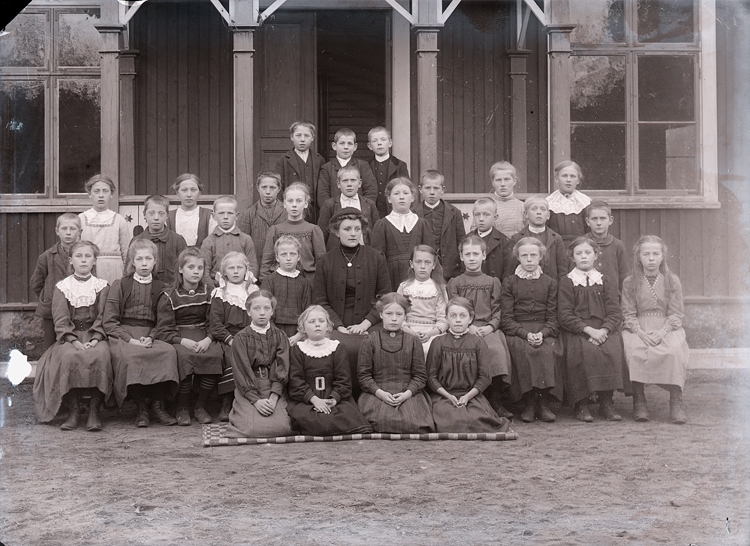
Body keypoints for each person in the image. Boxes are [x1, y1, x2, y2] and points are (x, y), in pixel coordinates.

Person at [33, 241, 112, 431]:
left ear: (94, 261)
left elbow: (104, 316)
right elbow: (60, 319)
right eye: (79, 256)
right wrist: (74, 341)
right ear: (71, 260)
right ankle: (73, 410)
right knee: (69, 356)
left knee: (101, 355)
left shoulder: (102, 286)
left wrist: (95, 339)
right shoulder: (62, 287)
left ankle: (94, 411)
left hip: (96, 335)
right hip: (70, 336)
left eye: (88, 256)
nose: (83, 260)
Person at [313, 208, 392, 397]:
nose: (353, 233)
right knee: (338, 346)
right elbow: (321, 301)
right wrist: (339, 326)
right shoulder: (325, 261)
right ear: (336, 231)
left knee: (371, 345)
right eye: (347, 229)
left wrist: (365, 324)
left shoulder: (376, 257)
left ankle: (370, 396)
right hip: (336, 325)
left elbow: (385, 297)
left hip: (370, 323)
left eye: (357, 229)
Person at [103, 239, 179, 427]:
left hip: (153, 334)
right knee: (132, 356)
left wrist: (152, 337)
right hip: (124, 334)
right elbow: (110, 321)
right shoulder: (120, 285)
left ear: (155, 261)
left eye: (148, 258)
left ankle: (158, 405)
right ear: (132, 262)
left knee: (168, 352)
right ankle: (141, 408)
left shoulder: (162, 287)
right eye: (139, 259)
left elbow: (164, 321)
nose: (144, 263)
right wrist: (131, 340)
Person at [622, 236, 690, 424]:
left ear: (662, 256)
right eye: (646, 254)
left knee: (674, 351)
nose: (651, 258)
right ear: (638, 257)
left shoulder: (672, 280)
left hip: (667, 327)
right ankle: (639, 400)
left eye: (655, 254)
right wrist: (640, 333)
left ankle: (676, 401)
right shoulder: (630, 282)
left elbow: (676, 314)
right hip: (639, 328)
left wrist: (662, 332)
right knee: (635, 350)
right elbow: (628, 314)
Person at [558, 237, 625, 422]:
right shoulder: (567, 282)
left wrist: (604, 330)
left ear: (596, 255)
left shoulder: (605, 280)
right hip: (578, 330)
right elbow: (564, 315)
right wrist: (588, 330)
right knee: (579, 351)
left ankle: (606, 402)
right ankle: (581, 404)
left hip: (603, 329)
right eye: (578, 253)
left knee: (610, 348)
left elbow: (614, 312)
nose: (583, 257)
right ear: (572, 257)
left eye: (588, 253)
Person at [154, 247, 224, 426]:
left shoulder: (210, 292)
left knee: (214, 355)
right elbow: (164, 329)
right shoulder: (170, 295)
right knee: (184, 357)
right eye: (191, 267)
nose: (195, 272)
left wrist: (208, 339)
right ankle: (182, 407)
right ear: (180, 269)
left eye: (200, 268)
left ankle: (200, 406)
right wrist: (182, 341)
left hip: (204, 335)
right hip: (180, 336)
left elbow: (215, 322)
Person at [447, 235, 513, 418]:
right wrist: (468, 326)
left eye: (476, 254)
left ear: (484, 255)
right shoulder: (456, 282)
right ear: (461, 257)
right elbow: (454, 308)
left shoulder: (492, 282)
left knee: (495, 350)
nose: (472, 258)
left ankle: (495, 399)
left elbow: (498, 309)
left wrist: (491, 326)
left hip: (487, 328)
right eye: (467, 254)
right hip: (463, 327)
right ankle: (474, 398)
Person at [425, 297, 511, 433]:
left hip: (471, 397)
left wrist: (467, 397)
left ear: (470, 319)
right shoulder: (438, 342)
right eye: (453, 316)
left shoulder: (478, 343)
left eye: (463, 316)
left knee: (475, 419)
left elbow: (484, 378)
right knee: (444, 419)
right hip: (444, 397)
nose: (458, 320)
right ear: (446, 319)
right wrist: (448, 396)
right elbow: (431, 377)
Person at [500, 237, 563, 423]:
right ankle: (528, 402)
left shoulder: (550, 283)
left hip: (544, 329)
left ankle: (542, 403)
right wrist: (525, 334)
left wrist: (543, 333)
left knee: (546, 350)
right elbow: (507, 319)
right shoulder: (509, 282)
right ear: (518, 257)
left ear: (541, 257)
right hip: (518, 330)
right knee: (523, 350)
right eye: (524, 255)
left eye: (533, 255)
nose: (529, 259)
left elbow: (553, 318)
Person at [287, 305, 373, 435]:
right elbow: (296, 380)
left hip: (332, 398)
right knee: (307, 417)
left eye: (321, 321)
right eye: (312, 322)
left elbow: (343, 379)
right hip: (308, 399)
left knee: (342, 416)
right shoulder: (298, 350)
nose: (317, 324)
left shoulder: (337, 347)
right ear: (303, 328)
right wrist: (314, 400)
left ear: (328, 326)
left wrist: (333, 399)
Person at [357, 293, 434, 433]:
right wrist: (380, 393)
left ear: (405, 316)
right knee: (377, 420)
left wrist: (406, 394)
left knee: (413, 422)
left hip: (407, 392)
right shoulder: (370, 340)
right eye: (389, 314)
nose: (394, 318)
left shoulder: (413, 341)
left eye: (399, 314)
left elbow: (420, 376)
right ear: (381, 314)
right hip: (378, 392)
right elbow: (364, 376)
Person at [225, 290, 294, 438]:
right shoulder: (241, 338)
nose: (262, 313)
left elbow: (282, 366)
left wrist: (274, 397)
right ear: (248, 311)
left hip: (274, 387)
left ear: (272, 311)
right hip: (249, 388)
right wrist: (256, 401)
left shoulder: (280, 336)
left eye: (266, 308)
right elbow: (241, 371)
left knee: (283, 428)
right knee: (252, 429)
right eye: (256, 308)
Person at [209, 251, 259, 422]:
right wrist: (230, 340)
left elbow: (260, 317)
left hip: (250, 337)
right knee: (232, 357)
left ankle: (251, 401)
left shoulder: (253, 292)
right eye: (231, 268)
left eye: (240, 267)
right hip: (228, 338)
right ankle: (227, 400)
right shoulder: (220, 293)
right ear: (224, 272)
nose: (236, 271)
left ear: (246, 270)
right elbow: (215, 324)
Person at [371, 177, 436, 290]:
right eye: (396, 193)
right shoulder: (382, 224)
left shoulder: (422, 224)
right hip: (391, 278)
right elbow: (377, 259)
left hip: (419, 277)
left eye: (406, 193)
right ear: (389, 198)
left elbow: (430, 255)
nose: (401, 197)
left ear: (412, 197)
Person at [30, 213, 79, 349]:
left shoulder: (84, 255)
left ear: (80, 231)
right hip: (51, 308)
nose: (68, 232)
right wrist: (49, 296)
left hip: (77, 307)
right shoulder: (47, 256)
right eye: (64, 228)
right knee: (51, 344)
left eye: (72, 228)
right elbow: (36, 283)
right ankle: (48, 363)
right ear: (57, 231)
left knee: (72, 342)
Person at [260, 182, 326, 282]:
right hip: (280, 282)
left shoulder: (313, 230)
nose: (294, 205)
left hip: (308, 282)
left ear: (305, 204)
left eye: (299, 201)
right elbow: (267, 262)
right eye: (290, 201)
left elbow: (321, 262)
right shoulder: (276, 230)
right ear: (284, 204)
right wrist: (265, 284)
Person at [78, 174, 131, 284]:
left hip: (114, 270)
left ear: (111, 194)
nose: (101, 195)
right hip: (88, 268)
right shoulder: (81, 219)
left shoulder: (119, 220)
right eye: (96, 191)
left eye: (105, 191)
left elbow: (126, 252)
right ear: (89, 194)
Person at [414, 170, 466, 281]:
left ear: (443, 190)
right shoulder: (413, 214)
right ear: (420, 189)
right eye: (427, 188)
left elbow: (462, 242)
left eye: (436, 188)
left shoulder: (454, 212)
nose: (432, 192)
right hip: (423, 271)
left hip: (450, 271)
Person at [397, 245, 448, 354]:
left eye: (427, 262)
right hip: (408, 330)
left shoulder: (439, 289)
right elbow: (398, 314)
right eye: (418, 262)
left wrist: (430, 334)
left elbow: (443, 318)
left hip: (432, 331)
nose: (423, 266)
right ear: (411, 264)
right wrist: (411, 332)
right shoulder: (404, 287)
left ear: (434, 265)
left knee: (432, 349)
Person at [260, 236, 311, 345]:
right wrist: (277, 334)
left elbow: (308, 311)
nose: (288, 258)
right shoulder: (269, 281)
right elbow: (265, 309)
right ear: (277, 258)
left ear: (298, 257)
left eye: (292, 254)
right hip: (273, 332)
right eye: (283, 254)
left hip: (298, 333)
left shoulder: (304, 283)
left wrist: (299, 335)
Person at [317, 165, 380, 249]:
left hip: (364, 250)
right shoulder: (330, 205)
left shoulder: (369, 204)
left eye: (353, 180)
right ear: (338, 184)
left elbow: (377, 233)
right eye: (345, 181)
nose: (349, 184)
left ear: (359, 183)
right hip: (337, 252)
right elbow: (321, 234)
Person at [274, 121, 325, 223]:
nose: (302, 139)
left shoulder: (319, 160)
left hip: (314, 210)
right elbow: (278, 187)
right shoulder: (283, 161)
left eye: (306, 136)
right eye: (298, 135)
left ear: (312, 138)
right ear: (292, 137)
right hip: (292, 208)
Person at [201, 195, 259, 285]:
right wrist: (213, 288)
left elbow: (253, 267)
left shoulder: (246, 239)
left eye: (230, 213)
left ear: (236, 216)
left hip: (242, 287)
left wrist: (244, 286)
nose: (225, 217)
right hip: (217, 287)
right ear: (214, 216)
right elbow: (205, 270)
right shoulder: (208, 242)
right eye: (221, 213)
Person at [131, 194, 187, 287]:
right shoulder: (136, 241)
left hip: (172, 290)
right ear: (144, 215)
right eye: (151, 213)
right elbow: (129, 271)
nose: (156, 217)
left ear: (167, 215)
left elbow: (185, 269)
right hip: (143, 289)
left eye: (161, 213)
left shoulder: (177, 240)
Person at [317, 127, 377, 210]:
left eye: (349, 144)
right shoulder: (327, 168)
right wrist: (334, 212)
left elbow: (371, 191)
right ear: (334, 146)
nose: (346, 147)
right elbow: (322, 195)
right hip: (335, 213)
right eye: (342, 143)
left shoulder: (362, 166)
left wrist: (363, 211)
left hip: (359, 213)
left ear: (355, 147)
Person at [510, 195, 569, 279]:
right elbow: (511, 269)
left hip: (551, 285)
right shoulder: (517, 238)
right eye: (534, 209)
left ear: (548, 215)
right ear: (526, 214)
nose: (539, 212)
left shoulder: (556, 238)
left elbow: (562, 268)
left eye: (543, 209)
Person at [237, 171, 287, 267]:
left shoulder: (286, 212)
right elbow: (242, 245)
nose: (268, 192)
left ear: (279, 189)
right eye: (264, 187)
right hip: (257, 265)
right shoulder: (248, 214)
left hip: (283, 266)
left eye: (272, 187)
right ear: (258, 188)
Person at [585, 200, 629, 293]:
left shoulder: (617, 245)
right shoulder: (581, 244)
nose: (598, 223)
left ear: (610, 220)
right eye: (594, 219)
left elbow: (624, 276)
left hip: (612, 296)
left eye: (602, 218)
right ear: (588, 221)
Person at [367, 126, 410, 218]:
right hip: (372, 211)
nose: (379, 143)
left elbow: (406, 189)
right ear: (369, 146)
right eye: (375, 141)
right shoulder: (366, 166)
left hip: (393, 210)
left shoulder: (400, 165)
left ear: (390, 143)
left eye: (383, 140)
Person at [466, 197, 513, 282]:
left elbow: (508, 273)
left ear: (495, 217)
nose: (481, 219)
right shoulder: (466, 240)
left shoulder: (504, 242)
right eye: (477, 214)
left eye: (486, 214)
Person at [546, 160, 591, 246]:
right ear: (556, 179)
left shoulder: (585, 202)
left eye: (573, 176)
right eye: (564, 176)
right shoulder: (549, 202)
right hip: (555, 246)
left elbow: (589, 230)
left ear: (578, 180)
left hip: (580, 246)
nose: (568, 180)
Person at [168, 173, 215, 248]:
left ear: (199, 192)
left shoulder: (209, 216)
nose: (189, 194)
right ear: (177, 192)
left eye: (193, 190)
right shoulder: (169, 217)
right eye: (184, 190)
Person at [488, 161, 525, 238]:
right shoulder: (486, 206)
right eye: (498, 180)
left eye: (507, 179)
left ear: (514, 181)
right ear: (493, 183)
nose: (503, 184)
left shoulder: (523, 207)